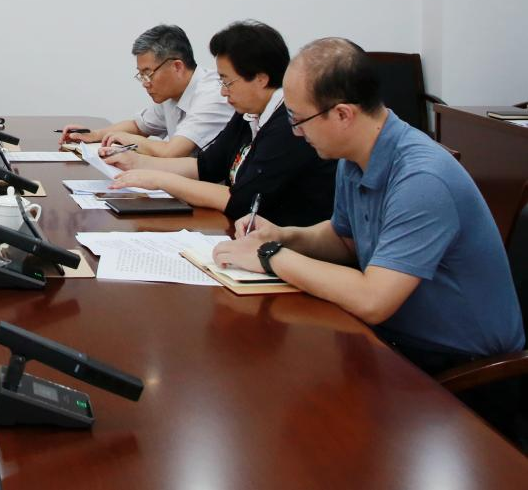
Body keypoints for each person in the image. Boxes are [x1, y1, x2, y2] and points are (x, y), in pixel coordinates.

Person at [212, 38, 523, 377]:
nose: (296, 133)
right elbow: (345, 240)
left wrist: (270, 256)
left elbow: (374, 300)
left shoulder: (423, 179)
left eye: (298, 120)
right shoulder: (354, 157)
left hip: (463, 368)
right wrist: (283, 235)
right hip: (393, 341)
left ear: (343, 114)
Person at [105, 21, 335, 226]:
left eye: (227, 82)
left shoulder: (286, 126)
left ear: (260, 79)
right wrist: (137, 162)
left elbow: (241, 201)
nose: (223, 92)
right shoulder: (248, 113)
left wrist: (160, 180)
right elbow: (206, 167)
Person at [59, 24, 231, 157]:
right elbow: (139, 126)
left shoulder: (212, 95)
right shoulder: (171, 94)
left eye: (148, 74)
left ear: (177, 67)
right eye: (141, 75)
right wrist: (95, 134)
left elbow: (171, 152)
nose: (145, 83)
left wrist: (129, 140)